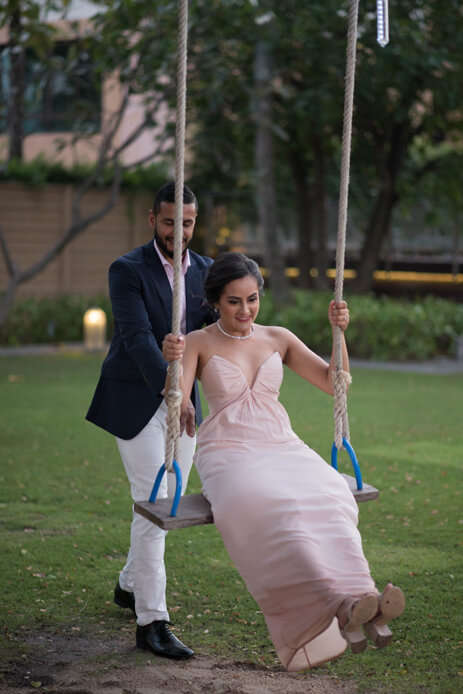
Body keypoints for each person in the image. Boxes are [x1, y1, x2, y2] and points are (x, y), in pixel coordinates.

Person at [162, 252, 405, 672]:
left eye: (252, 299)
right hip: (229, 452)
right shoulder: (198, 342)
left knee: (331, 494)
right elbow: (179, 393)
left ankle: (359, 600)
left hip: (282, 445)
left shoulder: (279, 337)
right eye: (234, 301)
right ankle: (335, 605)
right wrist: (180, 400)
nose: (245, 310)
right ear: (215, 301)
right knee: (277, 506)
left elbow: (335, 383)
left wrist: (338, 332)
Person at [86, 181, 213, 659]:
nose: (179, 232)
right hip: (136, 397)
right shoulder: (127, 269)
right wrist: (172, 388)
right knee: (154, 503)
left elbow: (226, 329)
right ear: (150, 218)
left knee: (168, 503)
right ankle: (151, 621)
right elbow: (138, 337)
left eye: (188, 223)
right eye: (169, 223)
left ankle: (126, 585)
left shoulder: (205, 271)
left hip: (186, 403)